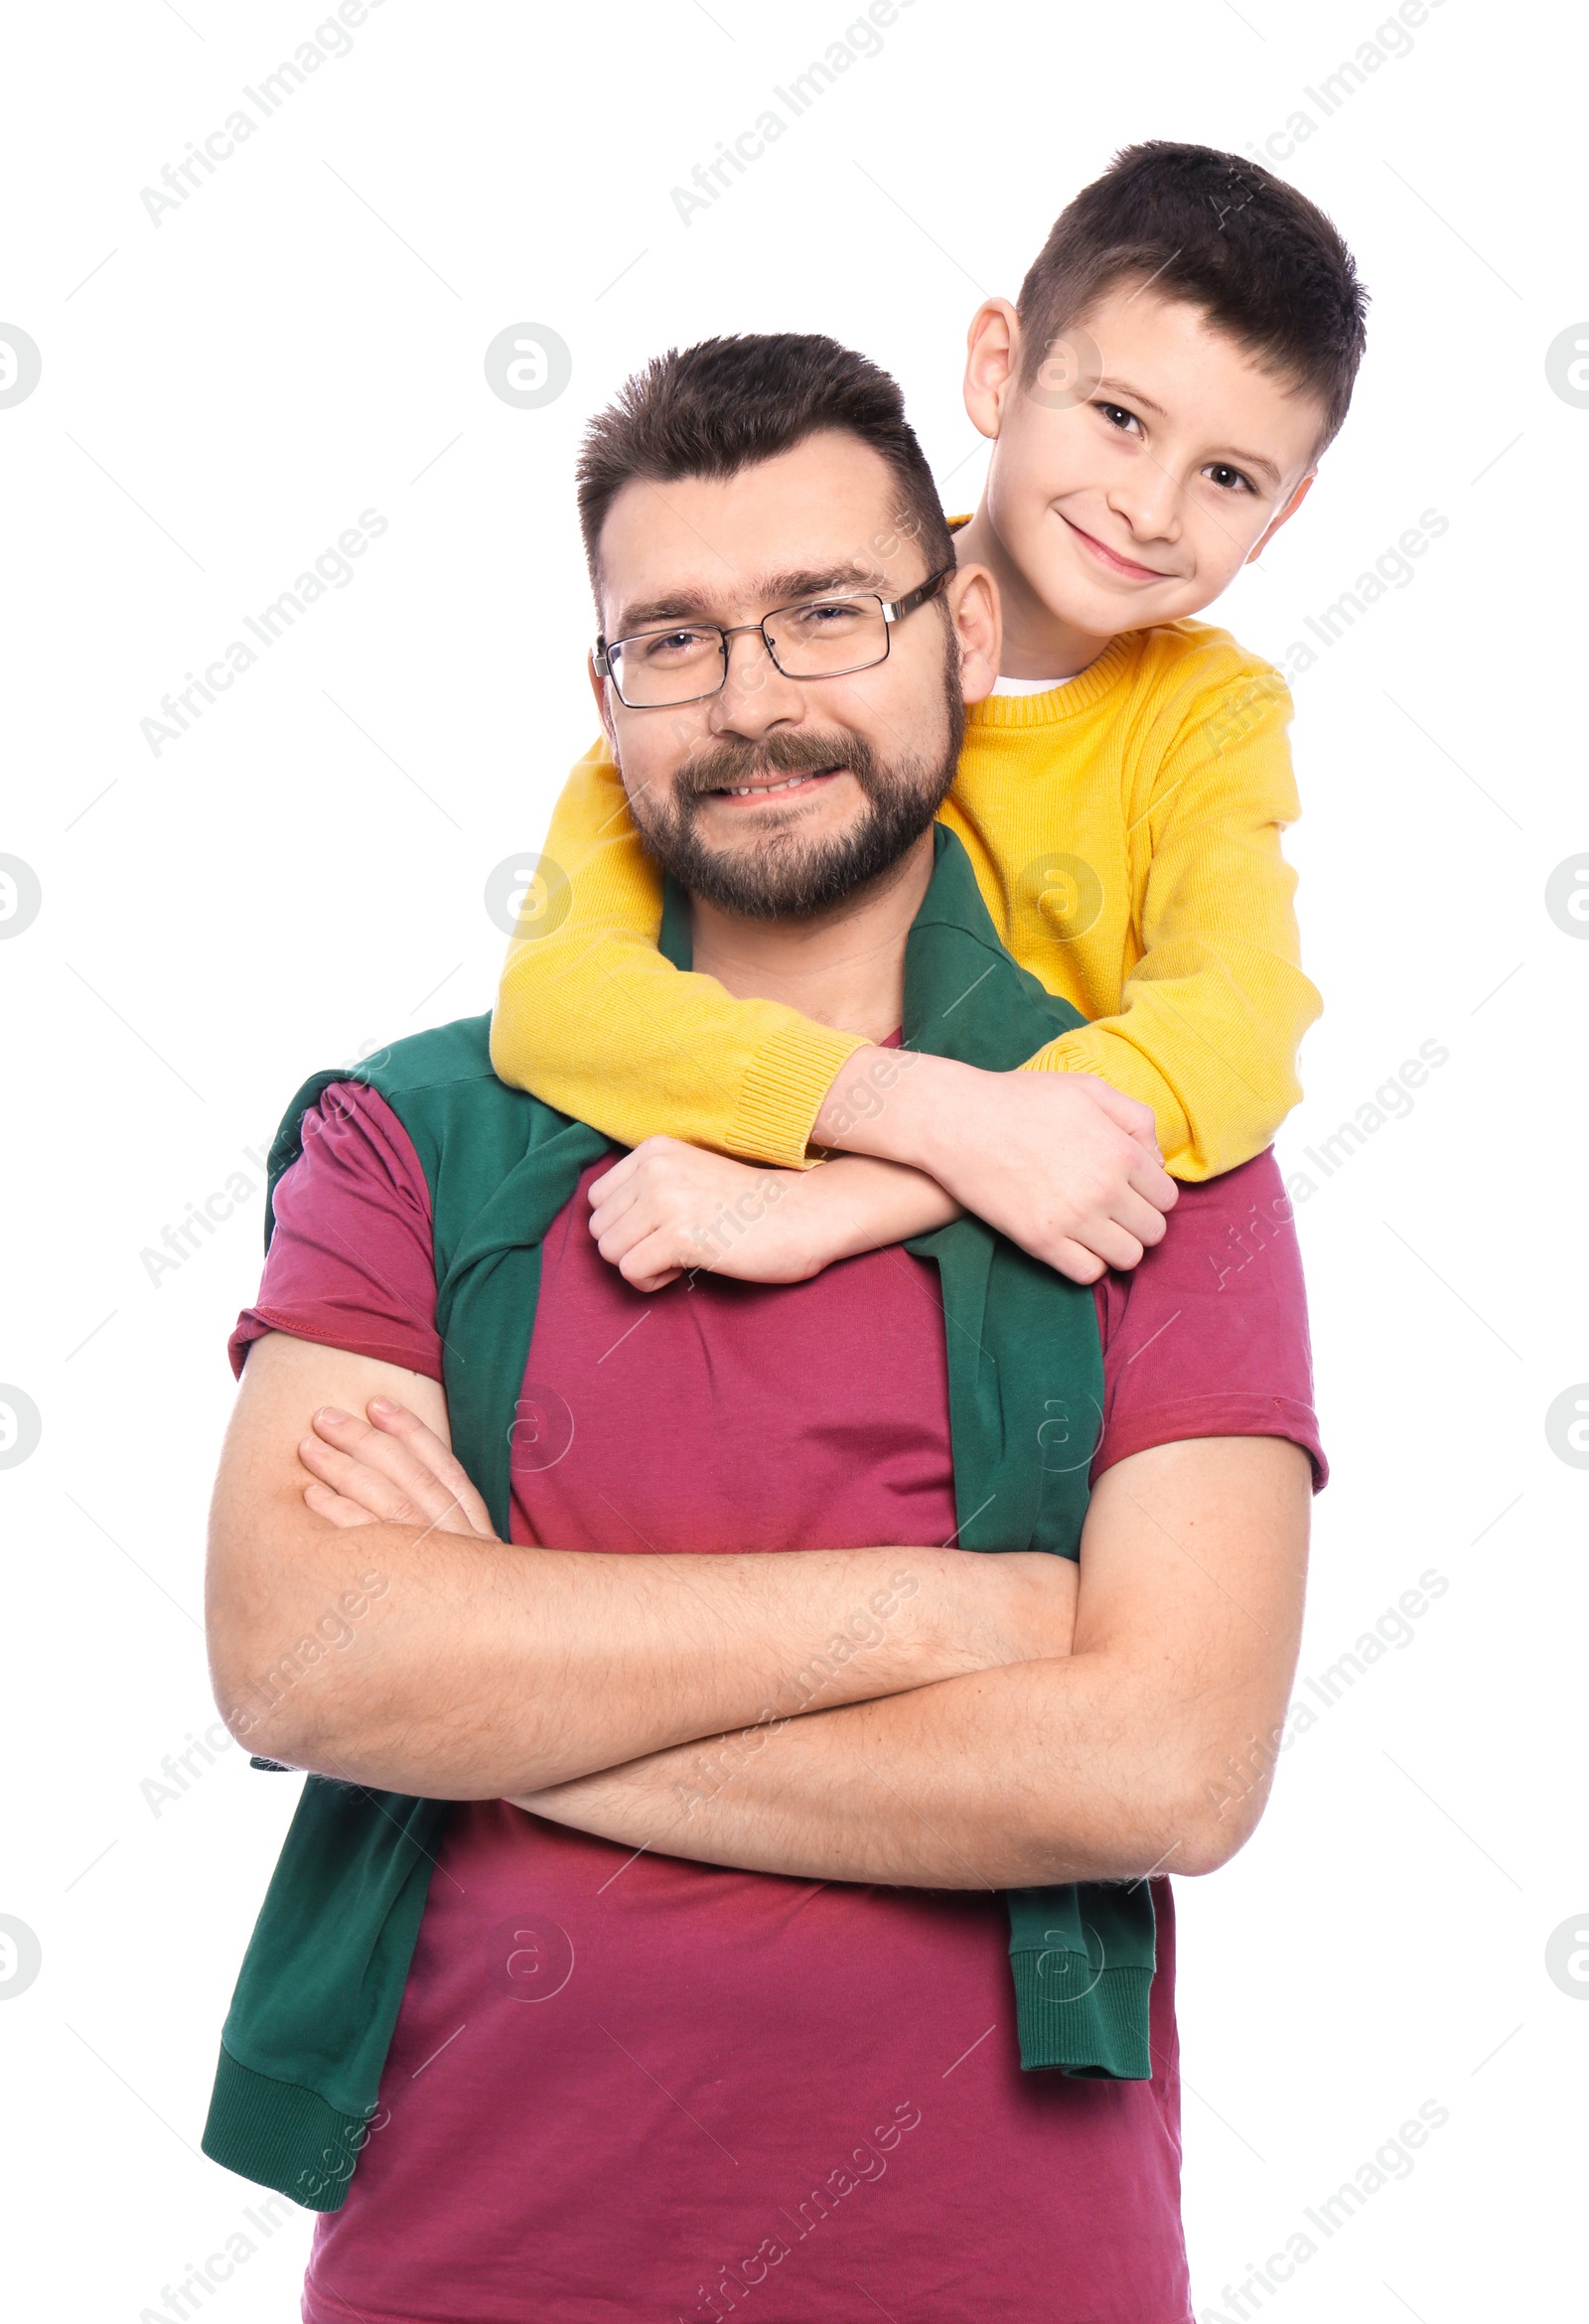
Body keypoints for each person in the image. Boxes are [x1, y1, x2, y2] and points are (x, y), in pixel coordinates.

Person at [203, 334, 1324, 2324]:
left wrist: (504, 1708)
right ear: (604, 698)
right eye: (674, 640)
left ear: (959, 626)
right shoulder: (413, 1139)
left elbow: (1159, 1766)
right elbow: (305, 1658)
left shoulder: (1138, 1156)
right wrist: (955, 1619)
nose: (752, 705)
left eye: (823, 613)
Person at [486, 140, 1367, 1291]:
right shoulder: (775, 653)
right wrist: (930, 1117)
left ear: (1283, 514)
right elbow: (559, 1003)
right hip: (680, 1206)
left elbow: (1237, 1028)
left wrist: (854, 1198)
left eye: (1228, 479)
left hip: (1038, 1272)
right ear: (1000, 369)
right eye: (1117, 415)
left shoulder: (1209, 716)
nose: (1148, 508)